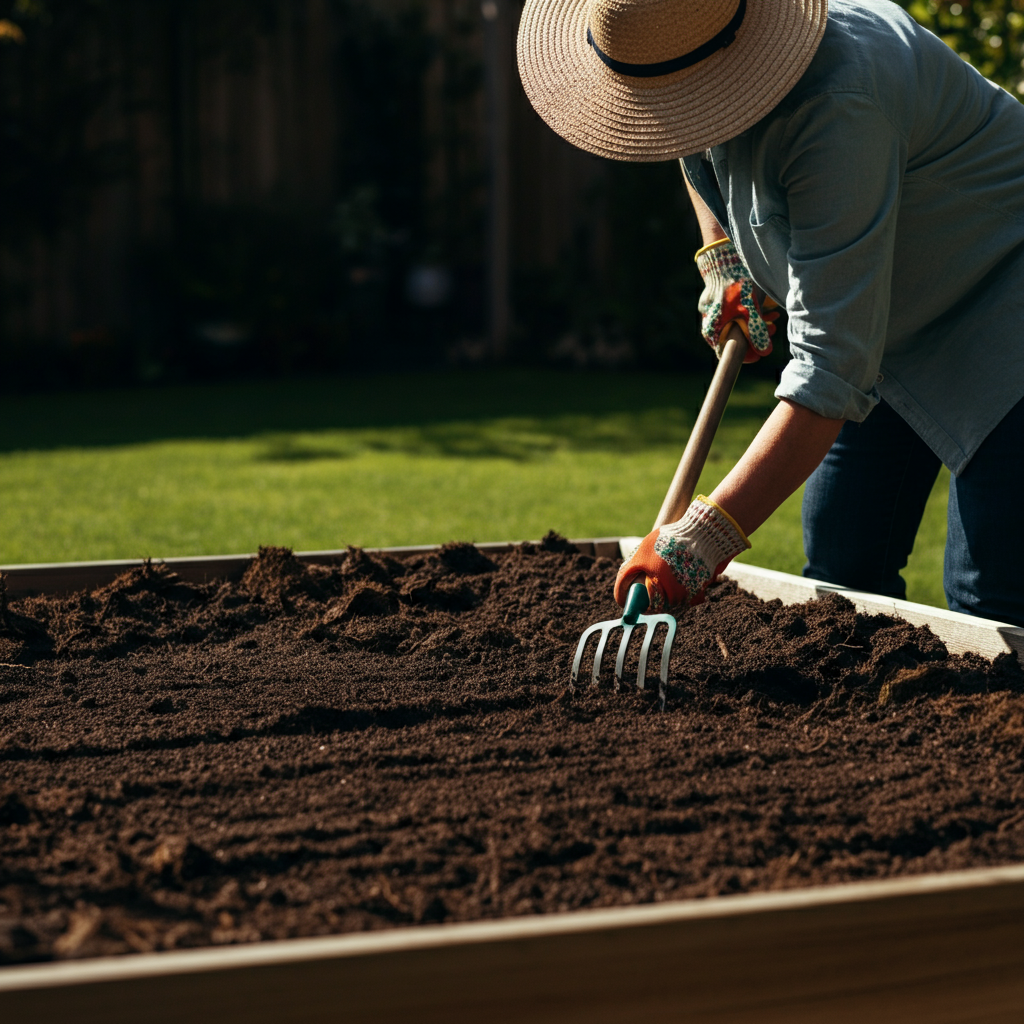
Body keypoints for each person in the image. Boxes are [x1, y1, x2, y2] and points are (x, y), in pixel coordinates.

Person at [518, 0, 1024, 626]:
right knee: (842, 574)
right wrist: (724, 258)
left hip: (1003, 309)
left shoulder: (840, 102)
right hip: (887, 325)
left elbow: (829, 371)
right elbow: (688, 140)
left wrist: (699, 540)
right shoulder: (696, 59)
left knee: (991, 600)